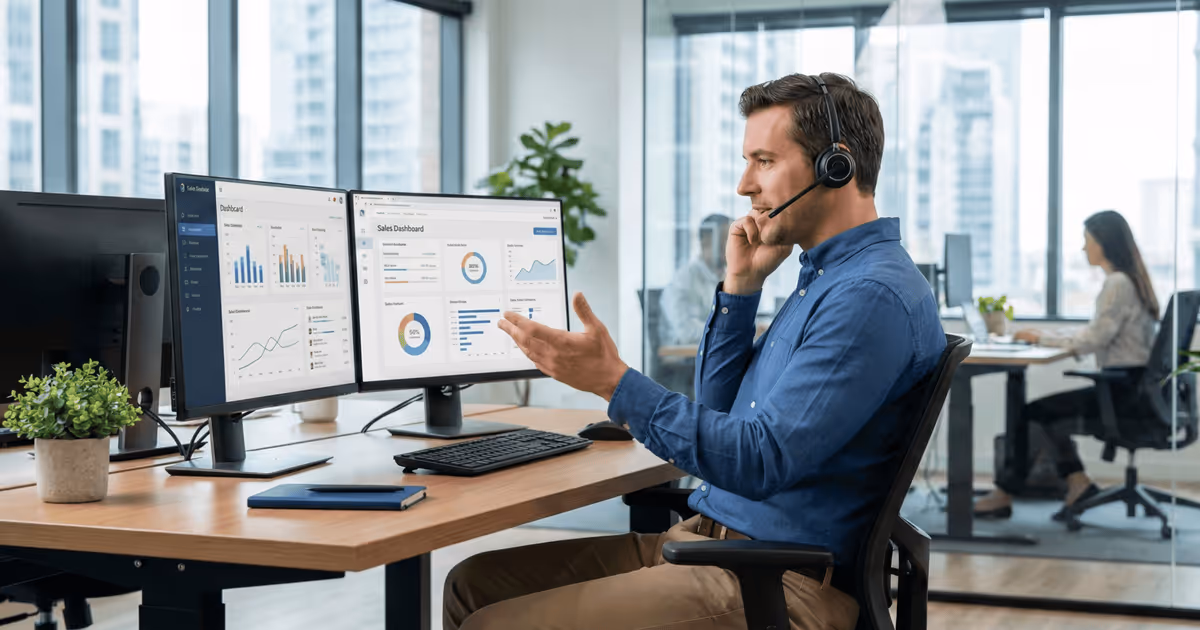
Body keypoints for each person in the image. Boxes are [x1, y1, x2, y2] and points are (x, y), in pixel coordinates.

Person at [444, 73, 946, 630]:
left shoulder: (867, 296)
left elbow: (758, 461)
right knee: (471, 585)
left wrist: (614, 382)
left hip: (780, 579)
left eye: (763, 161)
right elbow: (720, 412)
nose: (743, 185)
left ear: (837, 165)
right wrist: (740, 289)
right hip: (711, 543)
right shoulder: (824, 278)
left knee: (497, 623)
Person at [974, 210, 1158, 519]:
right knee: (1042, 414)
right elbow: (1096, 332)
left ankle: (1006, 493)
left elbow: (1092, 340)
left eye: (1087, 241)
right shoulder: (1131, 282)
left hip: (1122, 394)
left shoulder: (1117, 284)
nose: (1084, 248)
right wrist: (1046, 336)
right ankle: (1077, 481)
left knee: (1034, 414)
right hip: (1135, 389)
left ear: (1105, 244)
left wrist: (1042, 339)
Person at [659, 213, 734, 345]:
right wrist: (729, 331)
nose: (732, 247)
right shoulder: (685, 279)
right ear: (706, 242)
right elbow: (686, 333)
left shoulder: (725, 278)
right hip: (684, 360)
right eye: (725, 240)